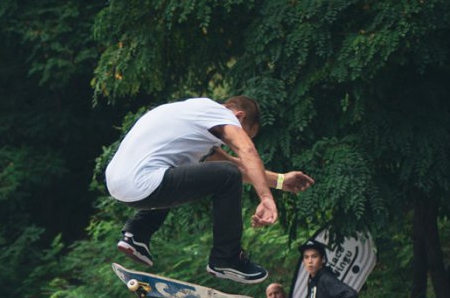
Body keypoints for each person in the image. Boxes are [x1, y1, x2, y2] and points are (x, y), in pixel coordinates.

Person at [105, 96, 314, 283]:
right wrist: (266, 198)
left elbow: (238, 167)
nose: (233, 139)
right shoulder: (220, 114)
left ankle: (136, 234)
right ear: (238, 116)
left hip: (120, 183)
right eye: (243, 132)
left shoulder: (190, 119)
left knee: (189, 169)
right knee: (226, 175)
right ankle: (226, 258)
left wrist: (279, 181)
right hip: (144, 182)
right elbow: (246, 152)